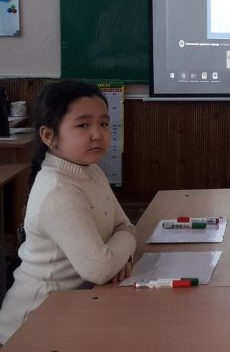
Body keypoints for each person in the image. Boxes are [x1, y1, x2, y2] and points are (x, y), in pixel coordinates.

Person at [0, 80, 136, 344]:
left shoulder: (92, 172)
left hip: (72, 310)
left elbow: (125, 226)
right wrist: (122, 246)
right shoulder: (58, 191)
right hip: (30, 328)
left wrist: (120, 253)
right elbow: (101, 268)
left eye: (104, 123)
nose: (97, 134)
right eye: (83, 125)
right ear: (48, 136)